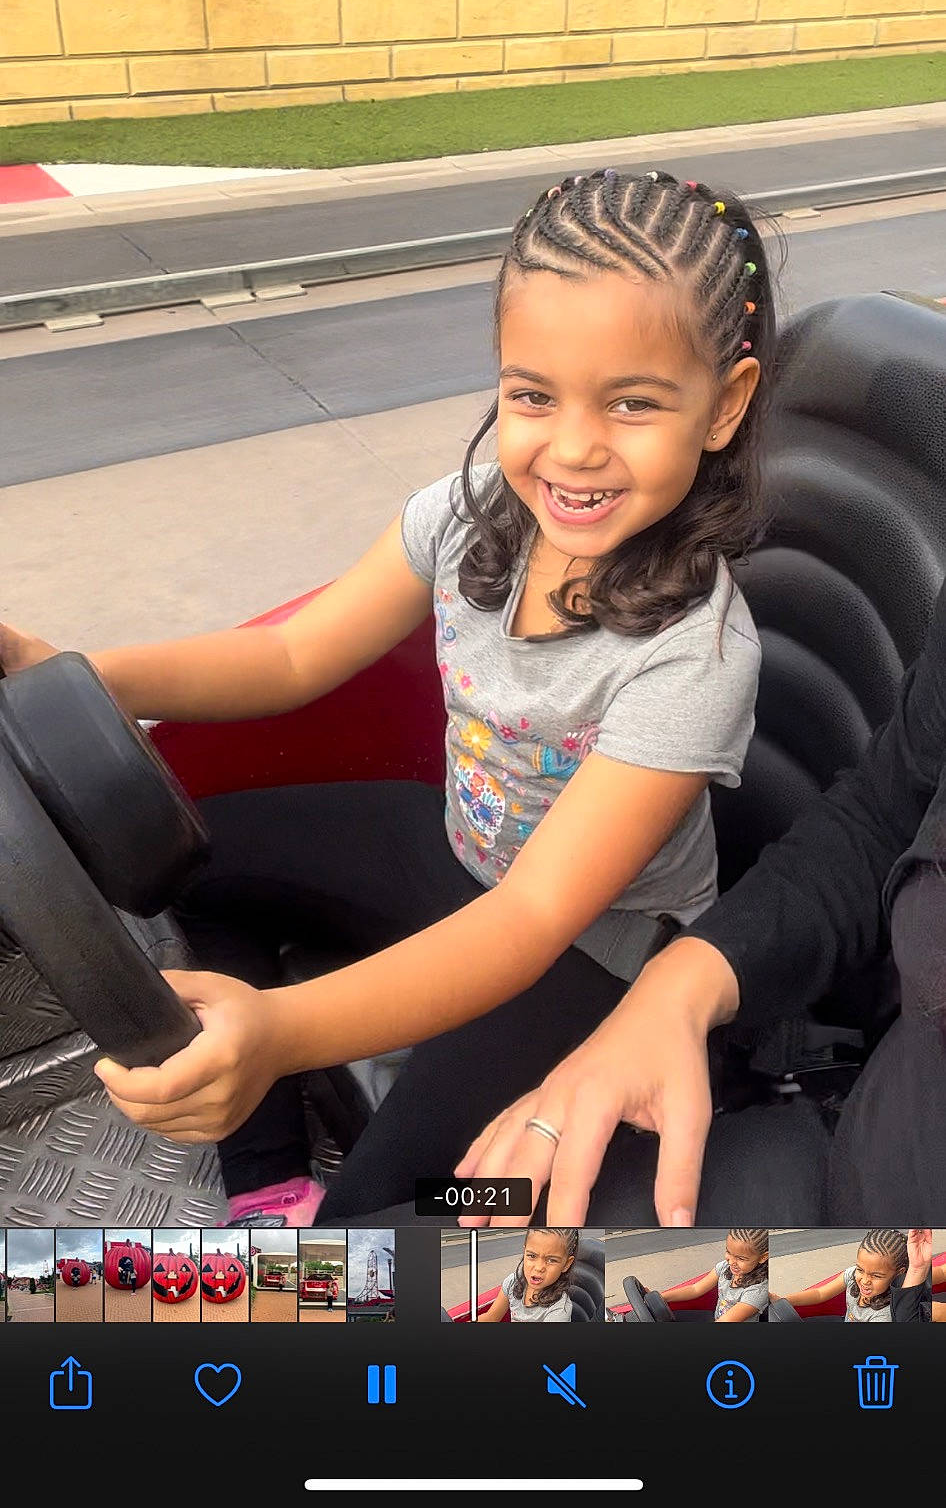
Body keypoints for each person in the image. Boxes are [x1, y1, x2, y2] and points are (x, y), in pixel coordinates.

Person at [0, 166, 774, 1226]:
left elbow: (533, 914)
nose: (575, 446)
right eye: (532, 393)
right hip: (456, 844)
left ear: (722, 404)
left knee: (400, 1207)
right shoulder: (465, 517)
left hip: (595, 951)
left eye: (633, 402)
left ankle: (350, 1198)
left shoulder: (699, 654)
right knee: (183, 854)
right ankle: (268, 1172)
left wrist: (279, 1025)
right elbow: (288, 661)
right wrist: (75, 672)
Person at [456, 570, 946, 1228]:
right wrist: (678, 988)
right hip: (848, 1147)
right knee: (369, 1249)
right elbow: (884, 814)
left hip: (882, 1265)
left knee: (338, 1288)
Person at [771, 1230, 931, 1323]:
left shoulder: (885, 1313)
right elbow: (821, 1293)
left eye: (876, 1275)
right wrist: (784, 1300)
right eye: (860, 1269)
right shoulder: (853, 1275)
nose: (865, 1280)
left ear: (899, 1272)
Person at [659, 1228, 768, 1322]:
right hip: (716, 1317)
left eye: (740, 1258)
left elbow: (726, 1321)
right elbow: (695, 1289)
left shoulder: (757, 1291)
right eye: (728, 1252)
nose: (731, 1262)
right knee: (670, 1317)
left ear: (763, 1257)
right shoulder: (724, 1267)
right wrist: (662, 1297)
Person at [477, 1227, 579, 1323]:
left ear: (566, 1264)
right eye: (532, 1256)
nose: (539, 1268)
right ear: (524, 1252)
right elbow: (491, 1317)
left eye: (551, 1260)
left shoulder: (559, 1311)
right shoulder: (513, 1282)